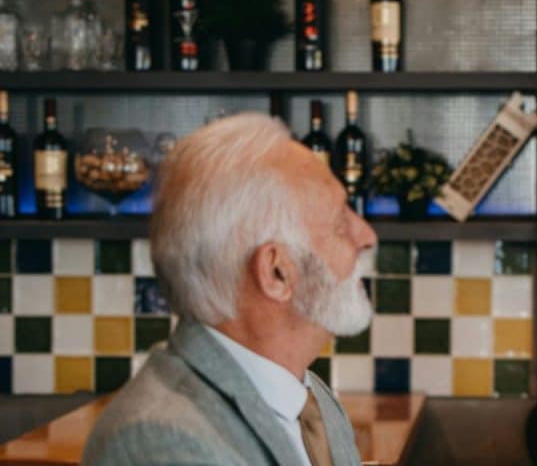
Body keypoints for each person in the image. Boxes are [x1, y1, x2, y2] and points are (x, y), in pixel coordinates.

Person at [83, 113, 377, 466]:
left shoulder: (312, 402)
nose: (367, 236)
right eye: (340, 222)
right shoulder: (162, 440)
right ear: (276, 272)